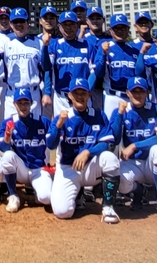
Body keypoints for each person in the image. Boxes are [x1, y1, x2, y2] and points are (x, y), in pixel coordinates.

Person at [45, 77, 120, 223]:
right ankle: (77, 193)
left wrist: (88, 152)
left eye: (83, 93)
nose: (80, 97)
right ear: (69, 95)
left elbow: (108, 143)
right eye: (76, 93)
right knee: (62, 212)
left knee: (110, 158)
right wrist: (59, 124)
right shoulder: (63, 116)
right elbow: (51, 144)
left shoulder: (98, 115)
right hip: (68, 168)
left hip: (91, 167)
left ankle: (108, 206)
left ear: (89, 95)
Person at [0, 86, 52, 212]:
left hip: (39, 169)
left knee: (46, 198)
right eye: (20, 103)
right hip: (20, 170)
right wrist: (7, 136)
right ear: (14, 104)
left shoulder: (43, 122)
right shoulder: (8, 123)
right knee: (7, 156)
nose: (23, 106)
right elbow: (2, 149)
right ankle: (13, 195)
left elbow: (55, 143)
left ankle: (38, 192)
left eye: (26, 103)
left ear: (31, 104)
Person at [113, 77, 157, 214]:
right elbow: (115, 139)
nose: (138, 95)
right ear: (128, 93)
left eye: (141, 91)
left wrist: (134, 146)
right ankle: (139, 191)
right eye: (134, 92)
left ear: (147, 93)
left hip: (151, 163)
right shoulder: (123, 111)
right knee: (120, 183)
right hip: (132, 163)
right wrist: (119, 115)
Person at [43, 11, 101, 115]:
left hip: (82, 96)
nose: (68, 28)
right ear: (60, 27)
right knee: (62, 128)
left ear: (77, 26)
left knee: (84, 128)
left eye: (71, 24)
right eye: (65, 24)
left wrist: (87, 91)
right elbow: (46, 67)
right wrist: (45, 47)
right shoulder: (54, 46)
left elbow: (94, 72)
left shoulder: (88, 46)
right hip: (61, 98)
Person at [0, 8, 46, 118]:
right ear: (11, 24)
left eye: (22, 21)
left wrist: (47, 93)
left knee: (33, 131)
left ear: (28, 23)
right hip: (12, 93)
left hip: (33, 93)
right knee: (10, 130)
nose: (19, 25)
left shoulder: (38, 42)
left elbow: (46, 67)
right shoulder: (5, 42)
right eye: (15, 22)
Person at [97, 13, 143, 118]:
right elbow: (99, 73)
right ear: (111, 30)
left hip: (132, 97)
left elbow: (139, 75)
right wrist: (104, 55)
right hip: (112, 96)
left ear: (128, 29)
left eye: (123, 28)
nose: (120, 31)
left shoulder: (134, 50)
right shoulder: (105, 47)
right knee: (113, 130)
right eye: (116, 28)